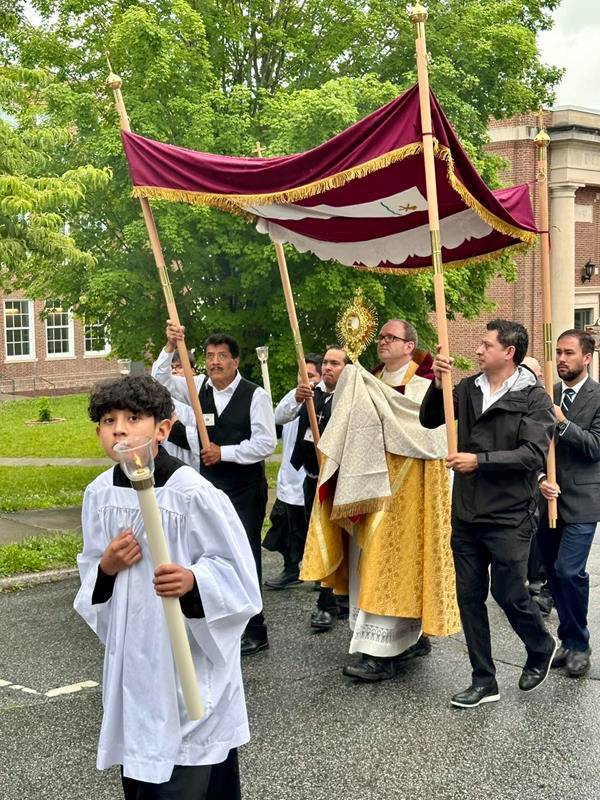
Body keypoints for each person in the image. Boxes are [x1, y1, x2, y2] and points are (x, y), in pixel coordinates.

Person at [74, 375, 262, 799]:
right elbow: (91, 569)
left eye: (133, 418)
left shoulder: (192, 493)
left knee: (192, 769)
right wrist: (107, 567)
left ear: (162, 429)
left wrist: (194, 581)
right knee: (142, 767)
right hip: (135, 661)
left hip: (188, 659)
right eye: (108, 421)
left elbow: (237, 572)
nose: (119, 430)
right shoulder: (100, 494)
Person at [420, 319, 557, 708]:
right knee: (469, 596)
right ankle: (484, 679)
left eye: (486, 344)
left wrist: (479, 461)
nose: (478, 350)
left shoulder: (534, 398)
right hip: (466, 512)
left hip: (509, 514)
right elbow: (430, 419)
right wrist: (437, 383)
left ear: (509, 352)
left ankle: (540, 644)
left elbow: (531, 455)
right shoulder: (467, 388)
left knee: (508, 592)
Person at [152, 323, 276, 656]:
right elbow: (160, 380)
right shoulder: (198, 388)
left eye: (222, 356)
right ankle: (224, 623)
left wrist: (225, 453)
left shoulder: (255, 396)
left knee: (244, 553)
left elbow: (266, 443)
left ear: (236, 361)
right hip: (210, 486)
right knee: (212, 552)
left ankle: (256, 628)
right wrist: (170, 345)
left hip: (244, 488)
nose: (215, 362)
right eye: (209, 356)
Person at [537, 329, 600, 677]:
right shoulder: (547, 394)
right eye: (558, 352)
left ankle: (579, 644)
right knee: (553, 573)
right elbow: (533, 447)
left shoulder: (598, 397)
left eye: (569, 353)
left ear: (586, 357)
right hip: (548, 500)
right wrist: (540, 479)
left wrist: (562, 422)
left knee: (569, 571)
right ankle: (567, 638)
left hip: (583, 502)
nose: (561, 359)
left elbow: (594, 447)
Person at [279, 345, 351, 631]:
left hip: (338, 481)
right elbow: (279, 416)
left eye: (335, 363)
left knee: (338, 540)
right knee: (320, 540)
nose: (328, 368)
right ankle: (330, 599)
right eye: (326, 363)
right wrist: (297, 398)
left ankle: (332, 601)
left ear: (347, 368)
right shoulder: (311, 393)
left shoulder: (351, 398)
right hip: (311, 479)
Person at [264, 353, 323, 589]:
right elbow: (278, 416)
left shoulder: (325, 399)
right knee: (288, 528)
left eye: (311, 375)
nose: (305, 380)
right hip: (290, 476)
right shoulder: (294, 395)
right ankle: (291, 569)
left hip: (311, 476)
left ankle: (321, 575)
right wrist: (297, 398)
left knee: (314, 530)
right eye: (302, 375)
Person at [520, 355, 554, 616]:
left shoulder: (547, 398)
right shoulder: (520, 400)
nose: (540, 375)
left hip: (557, 483)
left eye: (540, 371)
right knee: (532, 532)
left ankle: (544, 585)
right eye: (534, 371)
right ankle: (534, 580)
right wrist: (540, 477)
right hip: (530, 479)